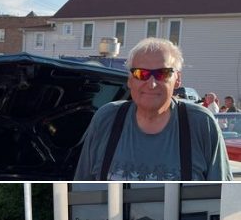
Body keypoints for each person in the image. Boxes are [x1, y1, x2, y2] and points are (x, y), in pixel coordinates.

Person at [74, 37, 232, 181]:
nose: (151, 84)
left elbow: (225, 196)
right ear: (130, 79)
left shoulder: (200, 123)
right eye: (141, 73)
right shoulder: (106, 118)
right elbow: (81, 188)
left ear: (178, 80)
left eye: (162, 74)